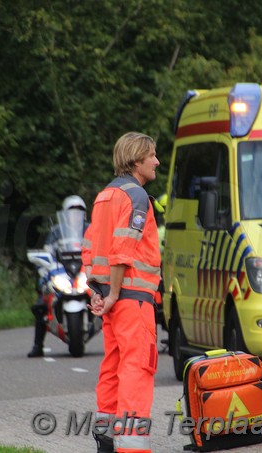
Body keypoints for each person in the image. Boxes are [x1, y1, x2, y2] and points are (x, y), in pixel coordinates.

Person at [82, 132, 161, 453]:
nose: (157, 162)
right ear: (136, 160)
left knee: (113, 364)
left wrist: (96, 291)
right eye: (152, 155)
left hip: (112, 300)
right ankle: (132, 445)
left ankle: (105, 435)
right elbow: (121, 251)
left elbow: (89, 247)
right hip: (131, 299)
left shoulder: (104, 196)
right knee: (137, 367)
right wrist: (113, 292)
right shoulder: (136, 197)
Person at [27, 195, 89, 358]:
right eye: (72, 212)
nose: (76, 216)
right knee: (42, 303)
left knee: (112, 300)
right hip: (62, 272)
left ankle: (118, 345)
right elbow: (47, 253)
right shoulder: (56, 232)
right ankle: (38, 345)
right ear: (65, 214)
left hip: (85, 271)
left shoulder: (91, 230)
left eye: (79, 213)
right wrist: (45, 269)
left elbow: (101, 251)